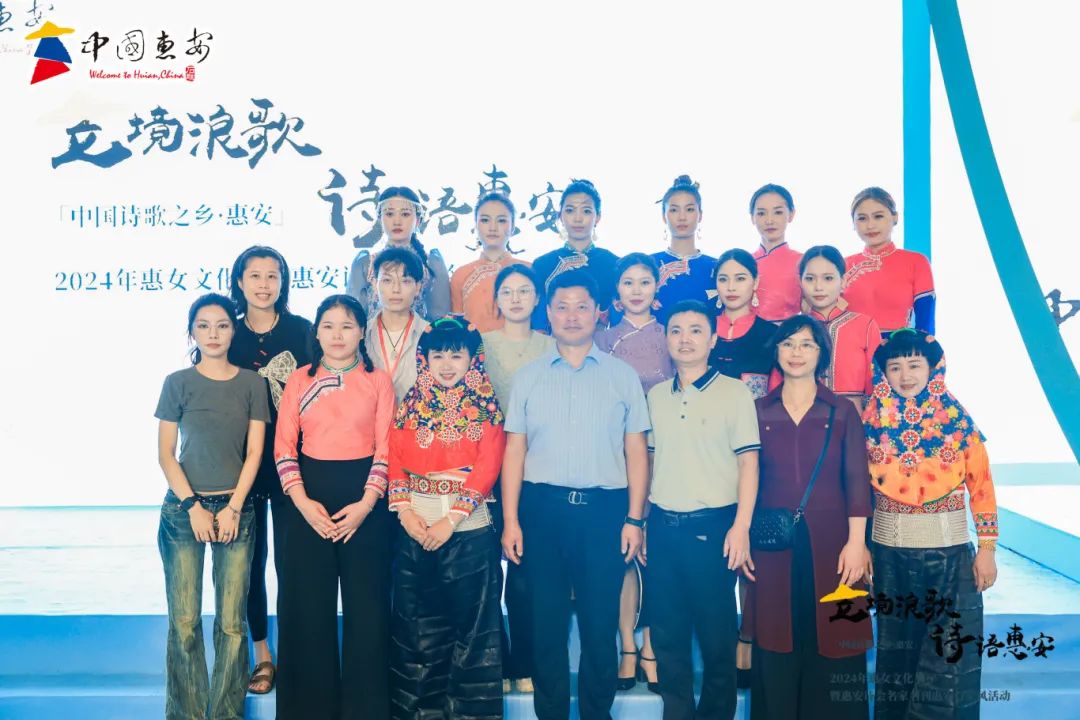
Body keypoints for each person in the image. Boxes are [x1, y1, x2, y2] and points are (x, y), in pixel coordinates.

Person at [501, 270, 650, 720]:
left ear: (598, 312)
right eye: (562, 307)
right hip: (541, 511)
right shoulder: (528, 377)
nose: (571, 315)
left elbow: (636, 452)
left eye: (582, 306)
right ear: (548, 313)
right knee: (546, 625)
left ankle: (596, 714)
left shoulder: (622, 376)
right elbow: (515, 451)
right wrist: (511, 520)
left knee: (599, 626)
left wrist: (635, 519)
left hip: (604, 513)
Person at [863, 330, 998, 720]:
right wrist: (862, 546)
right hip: (889, 557)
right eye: (895, 367)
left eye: (914, 365)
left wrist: (986, 549)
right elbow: (856, 490)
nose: (905, 376)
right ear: (883, 373)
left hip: (950, 557)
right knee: (897, 657)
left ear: (933, 368)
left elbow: (982, 485)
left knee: (948, 660)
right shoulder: (869, 422)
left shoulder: (957, 420)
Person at [274, 294, 396, 720]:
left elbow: (386, 448)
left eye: (347, 325)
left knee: (368, 610)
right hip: (307, 500)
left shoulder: (378, 381)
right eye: (328, 325)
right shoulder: (299, 380)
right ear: (317, 332)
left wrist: (366, 504)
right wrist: (303, 503)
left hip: (366, 502)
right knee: (308, 609)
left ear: (362, 331)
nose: (337, 335)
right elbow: (284, 447)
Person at [748, 315, 873, 720]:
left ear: (822, 354)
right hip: (773, 545)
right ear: (776, 352)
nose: (796, 352)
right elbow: (747, 480)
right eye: (787, 344)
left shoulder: (842, 411)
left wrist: (857, 543)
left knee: (838, 635)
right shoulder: (758, 411)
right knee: (777, 636)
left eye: (806, 344)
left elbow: (857, 479)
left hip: (835, 543)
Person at [155, 293, 269, 720]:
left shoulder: (252, 384)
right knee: (184, 621)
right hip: (184, 512)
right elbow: (166, 455)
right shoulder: (177, 382)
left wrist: (234, 508)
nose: (213, 334)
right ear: (192, 333)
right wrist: (193, 507)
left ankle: (226, 714)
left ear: (233, 331)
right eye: (203, 326)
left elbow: (255, 453)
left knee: (232, 624)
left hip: (237, 510)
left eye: (221, 325)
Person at [388, 318, 507, 720]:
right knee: (416, 636)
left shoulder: (487, 406)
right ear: (424, 358)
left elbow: (488, 466)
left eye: (456, 355)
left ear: (473, 358)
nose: (446, 364)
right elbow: (395, 457)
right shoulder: (410, 404)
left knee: (474, 639)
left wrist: (450, 521)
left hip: (469, 533)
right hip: (415, 531)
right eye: (437, 355)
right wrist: (405, 513)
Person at [646, 300, 760, 720]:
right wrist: (642, 522)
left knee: (716, 637)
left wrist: (741, 527)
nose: (685, 339)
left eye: (696, 330)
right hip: (663, 527)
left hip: (714, 529)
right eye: (676, 330)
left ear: (713, 339)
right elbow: (651, 462)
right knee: (668, 635)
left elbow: (749, 464)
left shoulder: (734, 393)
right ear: (666, 338)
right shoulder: (656, 395)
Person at [226, 245, 312, 695]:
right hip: (243, 465)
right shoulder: (228, 333)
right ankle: (262, 655)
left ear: (284, 281)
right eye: (255, 276)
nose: (264, 284)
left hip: (297, 462)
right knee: (251, 564)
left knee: (295, 563)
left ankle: (299, 654)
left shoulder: (303, 331)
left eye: (272, 275)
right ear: (240, 282)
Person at [481, 264, 555, 693]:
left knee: (525, 577)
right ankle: (496, 662)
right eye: (507, 291)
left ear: (537, 298)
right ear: (496, 300)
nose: (515, 298)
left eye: (524, 290)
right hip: (484, 473)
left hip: (535, 474)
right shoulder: (480, 345)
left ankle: (525, 664)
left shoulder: (552, 345)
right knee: (486, 576)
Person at [349, 186, 452, 322]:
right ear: (380, 219)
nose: (397, 221)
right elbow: (353, 317)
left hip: (418, 335)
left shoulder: (431, 262)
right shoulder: (365, 263)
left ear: (418, 220)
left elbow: (440, 318)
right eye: (389, 214)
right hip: (373, 335)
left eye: (405, 214)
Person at [799, 245, 881, 413]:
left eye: (828, 278)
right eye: (810, 279)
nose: (818, 287)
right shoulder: (793, 328)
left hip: (853, 418)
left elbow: (877, 382)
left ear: (843, 282)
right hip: (802, 418)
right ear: (800, 282)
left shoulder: (865, 326)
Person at [843, 187, 935, 334]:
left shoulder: (916, 262)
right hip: (849, 346)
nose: (870, 225)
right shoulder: (841, 266)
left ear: (895, 217)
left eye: (878, 216)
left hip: (899, 346)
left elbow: (926, 325)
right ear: (853, 223)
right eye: (862, 218)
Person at [531, 179, 620, 331]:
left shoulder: (614, 264)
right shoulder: (542, 265)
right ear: (560, 216)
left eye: (586, 211)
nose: (578, 218)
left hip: (602, 344)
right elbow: (538, 323)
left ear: (598, 217)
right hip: (554, 344)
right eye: (570, 210)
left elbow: (619, 320)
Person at [596, 253, 675, 393]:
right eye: (628, 283)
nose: (636, 291)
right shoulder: (601, 341)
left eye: (644, 283)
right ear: (617, 287)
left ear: (657, 286)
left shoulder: (672, 337)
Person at [450, 191, 529, 332]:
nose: (493, 228)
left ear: (513, 227)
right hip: (475, 346)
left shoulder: (529, 270)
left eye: (501, 220)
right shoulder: (460, 275)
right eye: (485, 220)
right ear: (476, 225)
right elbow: (457, 330)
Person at [364, 247, 432, 404]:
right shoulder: (360, 335)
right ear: (374, 284)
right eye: (387, 280)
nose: (396, 289)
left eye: (405, 281)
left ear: (418, 287)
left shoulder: (431, 335)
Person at [709, 249, 777, 399]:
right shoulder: (702, 330)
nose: (731, 287)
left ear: (755, 282)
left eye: (740, 279)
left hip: (754, 413)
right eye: (723, 279)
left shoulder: (772, 334)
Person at [650, 175, 717, 324]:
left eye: (689, 209)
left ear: (700, 215)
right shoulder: (648, 265)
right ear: (663, 216)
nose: (682, 217)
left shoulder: (717, 267)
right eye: (674, 210)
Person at [749, 184, 802, 323]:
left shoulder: (804, 262)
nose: (769, 220)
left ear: (791, 214)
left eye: (778, 212)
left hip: (789, 333)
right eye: (761, 213)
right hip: (747, 334)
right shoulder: (742, 263)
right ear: (752, 217)